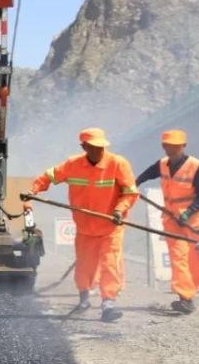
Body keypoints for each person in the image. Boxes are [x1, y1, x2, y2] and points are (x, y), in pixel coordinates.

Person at [22, 128, 137, 321]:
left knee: (110, 263)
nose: (98, 151)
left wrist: (119, 209)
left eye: (101, 147)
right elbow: (48, 177)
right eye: (93, 147)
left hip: (110, 226)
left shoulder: (118, 163)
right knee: (85, 265)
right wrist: (32, 191)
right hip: (85, 227)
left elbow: (130, 192)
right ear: (84, 146)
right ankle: (84, 297)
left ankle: (108, 303)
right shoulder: (73, 164)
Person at [135, 129, 199, 313]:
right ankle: (185, 298)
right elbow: (146, 175)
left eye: (175, 146)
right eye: (168, 146)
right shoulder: (162, 164)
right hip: (172, 220)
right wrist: (134, 184)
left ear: (183, 146)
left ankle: (188, 294)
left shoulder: (196, 167)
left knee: (198, 259)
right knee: (179, 257)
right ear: (163, 146)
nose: (171, 149)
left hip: (196, 222)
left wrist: (188, 214)